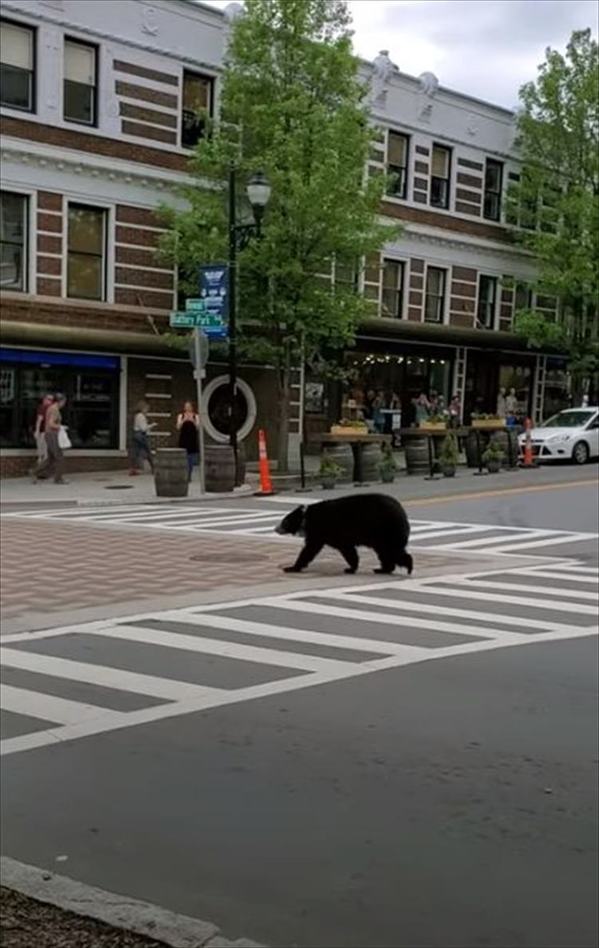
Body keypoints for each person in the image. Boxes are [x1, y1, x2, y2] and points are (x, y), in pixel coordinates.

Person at [36, 393, 67, 484]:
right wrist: (61, 427)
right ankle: (58, 479)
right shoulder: (54, 410)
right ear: (60, 401)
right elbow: (51, 423)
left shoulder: (51, 408)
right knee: (59, 457)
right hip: (52, 435)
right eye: (64, 402)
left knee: (51, 458)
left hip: (49, 434)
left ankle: (34, 471)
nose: (64, 404)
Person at [176, 401, 200, 481]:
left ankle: (189, 474)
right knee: (184, 457)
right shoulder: (181, 416)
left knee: (190, 458)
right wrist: (184, 420)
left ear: (191, 407)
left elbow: (198, 428)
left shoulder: (196, 416)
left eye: (189, 406)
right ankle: (184, 474)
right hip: (184, 438)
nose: (187, 408)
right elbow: (178, 427)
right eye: (186, 407)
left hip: (192, 438)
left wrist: (192, 421)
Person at [130, 400, 156, 475]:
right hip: (141, 435)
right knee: (148, 451)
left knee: (135, 452)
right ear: (143, 408)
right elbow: (144, 428)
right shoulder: (141, 416)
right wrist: (152, 425)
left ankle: (133, 469)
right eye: (147, 409)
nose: (147, 411)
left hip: (136, 435)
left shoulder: (137, 416)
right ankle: (154, 468)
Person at [31, 393, 54, 478]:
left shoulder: (50, 409)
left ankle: (41, 472)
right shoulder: (42, 408)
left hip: (48, 433)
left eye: (52, 400)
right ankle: (38, 472)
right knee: (43, 454)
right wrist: (37, 431)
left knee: (45, 454)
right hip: (43, 433)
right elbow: (39, 419)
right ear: (44, 399)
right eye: (49, 399)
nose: (50, 401)